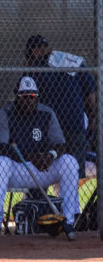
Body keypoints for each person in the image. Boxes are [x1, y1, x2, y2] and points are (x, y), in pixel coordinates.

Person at [0, 76, 79, 241]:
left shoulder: (46, 112)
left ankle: (68, 220)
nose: (29, 100)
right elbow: (1, 147)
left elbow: (61, 144)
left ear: (37, 96)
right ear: (17, 96)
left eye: (33, 97)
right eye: (25, 97)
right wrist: (30, 156)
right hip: (16, 170)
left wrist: (50, 156)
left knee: (69, 161)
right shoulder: (4, 112)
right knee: (0, 163)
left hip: (42, 168)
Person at [25, 35, 97, 179]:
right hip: (73, 126)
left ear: (34, 51)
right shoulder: (72, 61)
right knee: (73, 173)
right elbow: (92, 95)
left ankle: (41, 197)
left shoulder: (34, 69)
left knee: (43, 170)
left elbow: (25, 101)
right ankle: (66, 199)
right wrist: (94, 117)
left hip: (50, 129)